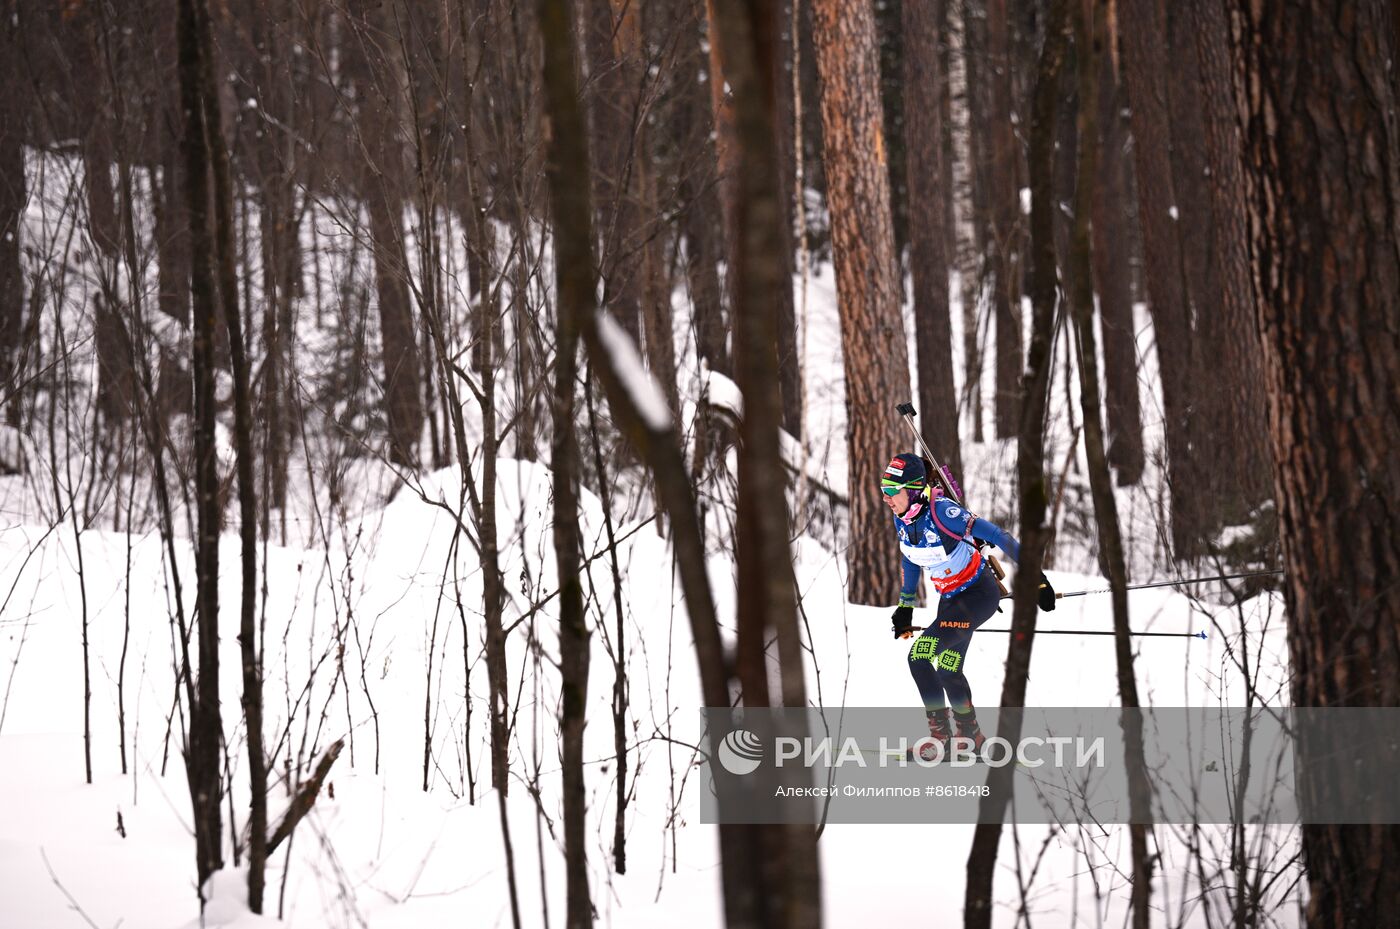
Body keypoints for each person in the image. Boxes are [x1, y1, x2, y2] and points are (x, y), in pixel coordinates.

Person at [881, 452, 1056, 759]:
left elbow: (1000, 536)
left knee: (920, 656)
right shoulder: (903, 518)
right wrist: (905, 606)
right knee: (948, 668)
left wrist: (1037, 578)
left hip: (977, 596)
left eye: (892, 493)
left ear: (912, 490)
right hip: (950, 600)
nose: (887, 499)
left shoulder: (944, 513)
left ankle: (942, 738)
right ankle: (971, 737)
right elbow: (910, 559)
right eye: (884, 492)